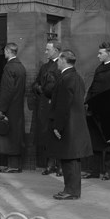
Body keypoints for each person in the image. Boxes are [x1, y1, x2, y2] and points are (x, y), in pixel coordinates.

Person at [49, 50, 93, 200]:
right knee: (71, 159)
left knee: (69, 160)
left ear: (64, 60)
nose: (57, 63)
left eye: (59, 60)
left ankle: (71, 191)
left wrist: (57, 126)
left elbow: (63, 106)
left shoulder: (66, 78)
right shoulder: (75, 77)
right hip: (74, 125)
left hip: (69, 126)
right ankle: (70, 189)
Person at [83, 41, 110, 180]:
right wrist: (87, 101)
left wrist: (101, 102)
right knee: (95, 143)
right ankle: (95, 171)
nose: (98, 55)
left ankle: (108, 172)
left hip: (109, 112)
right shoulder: (99, 68)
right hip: (95, 111)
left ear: (108, 54)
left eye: (100, 53)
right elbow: (93, 87)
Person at [0, 42, 27, 173]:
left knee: (8, 137)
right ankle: (15, 165)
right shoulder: (21, 67)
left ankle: (12, 166)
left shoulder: (9, 67)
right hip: (17, 107)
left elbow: (6, 90)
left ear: (7, 51)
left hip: (9, 108)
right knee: (15, 136)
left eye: (5, 51)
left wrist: (2, 109)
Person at [33, 40, 63, 176]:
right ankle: (50, 164)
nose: (45, 52)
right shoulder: (44, 67)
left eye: (48, 50)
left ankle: (60, 166)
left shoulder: (61, 65)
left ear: (56, 50)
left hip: (56, 105)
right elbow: (36, 83)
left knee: (58, 135)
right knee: (47, 135)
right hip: (44, 105)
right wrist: (40, 88)